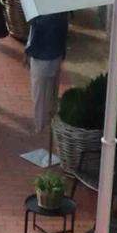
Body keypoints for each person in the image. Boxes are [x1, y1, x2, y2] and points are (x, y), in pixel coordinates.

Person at [24, 11, 69, 140]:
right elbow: (64, 35)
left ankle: (40, 126)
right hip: (56, 56)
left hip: (40, 59)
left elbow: (35, 37)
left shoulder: (39, 16)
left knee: (39, 94)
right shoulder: (62, 14)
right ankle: (51, 120)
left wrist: (27, 52)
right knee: (52, 92)